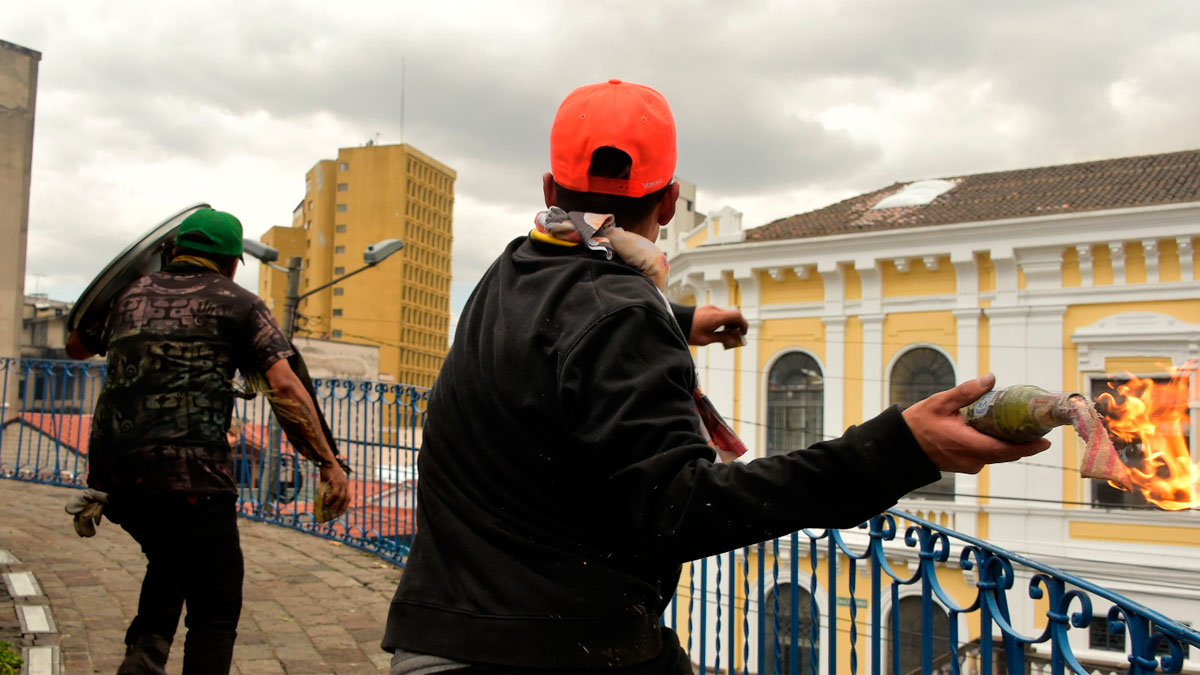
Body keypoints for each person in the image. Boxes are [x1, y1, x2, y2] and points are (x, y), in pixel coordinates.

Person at [380, 79, 1050, 673]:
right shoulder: (621, 313)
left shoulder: (510, 271)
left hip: (443, 630)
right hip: (543, 648)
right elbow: (682, 510)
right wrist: (901, 448)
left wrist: (680, 319)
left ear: (550, 192)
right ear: (670, 202)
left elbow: (564, 331)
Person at [65, 208, 350, 674]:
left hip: (115, 476)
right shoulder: (239, 303)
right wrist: (327, 462)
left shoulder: (126, 296)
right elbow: (284, 385)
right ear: (233, 262)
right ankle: (147, 657)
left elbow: (75, 347)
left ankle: (144, 655)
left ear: (173, 251)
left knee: (171, 557)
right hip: (191, 477)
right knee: (215, 602)